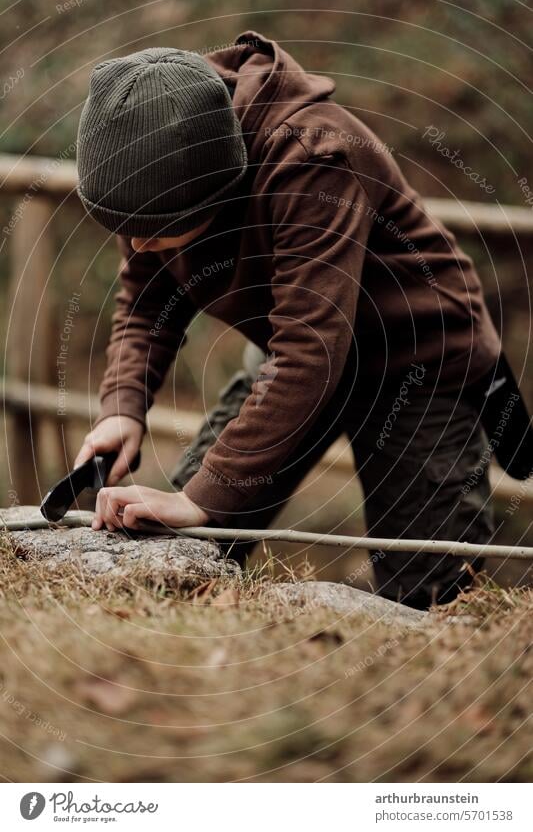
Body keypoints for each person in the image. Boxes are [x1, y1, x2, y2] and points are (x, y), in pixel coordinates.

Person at [75, 31, 500, 608]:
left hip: (417, 363)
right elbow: (146, 298)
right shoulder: (153, 146)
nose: (137, 242)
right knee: (176, 541)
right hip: (290, 354)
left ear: (220, 185)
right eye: (124, 225)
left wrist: (206, 495)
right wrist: (121, 407)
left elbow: (313, 348)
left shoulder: (315, 156)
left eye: (154, 226)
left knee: (432, 591)